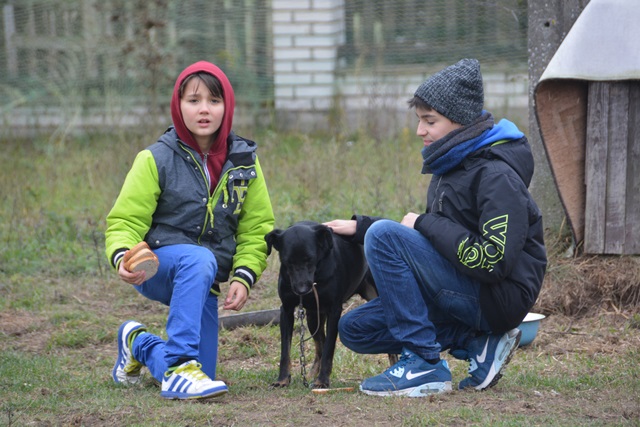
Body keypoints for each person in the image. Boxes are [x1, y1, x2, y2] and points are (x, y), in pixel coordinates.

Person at [325, 58, 546, 397]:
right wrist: (363, 228)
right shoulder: (452, 166)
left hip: (496, 298)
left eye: (430, 121)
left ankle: (424, 364)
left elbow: (492, 261)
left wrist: (418, 224)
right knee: (356, 328)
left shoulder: (496, 177)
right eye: (419, 120)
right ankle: (477, 343)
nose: (420, 131)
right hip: (465, 287)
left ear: (461, 121)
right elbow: (431, 243)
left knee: (384, 236)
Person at [105, 61, 274, 400]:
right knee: (198, 258)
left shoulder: (245, 162)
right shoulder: (154, 158)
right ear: (178, 105)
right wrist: (123, 255)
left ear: (227, 106)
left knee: (204, 373)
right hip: (157, 267)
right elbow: (125, 220)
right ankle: (181, 363)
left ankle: (139, 344)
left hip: (205, 279)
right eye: (193, 100)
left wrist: (243, 276)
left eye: (214, 100)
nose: (204, 109)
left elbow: (256, 227)